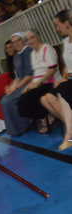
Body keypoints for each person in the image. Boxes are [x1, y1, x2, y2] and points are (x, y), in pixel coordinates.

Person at [17, 28, 61, 133]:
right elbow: (36, 73)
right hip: (39, 82)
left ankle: (46, 119)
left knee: (28, 98)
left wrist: (38, 82)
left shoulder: (47, 48)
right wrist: (30, 84)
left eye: (32, 37)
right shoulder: (32, 53)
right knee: (22, 101)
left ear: (39, 36)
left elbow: (52, 70)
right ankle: (45, 118)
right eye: (27, 39)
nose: (30, 41)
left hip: (50, 81)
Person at [41, 10, 72, 151]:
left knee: (62, 90)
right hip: (70, 79)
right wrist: (64, 78)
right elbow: (67, 67)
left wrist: (66, 79)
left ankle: (69, 135)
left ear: (67, 24)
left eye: (57, 25)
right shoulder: (66, 41)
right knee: (46, 98)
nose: (57, 28)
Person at [0, 32, 33, 136]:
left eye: (18, 40)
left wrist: (15, 88)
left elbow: (30, 75)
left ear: (23, 40)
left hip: (31, 82)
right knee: (4, 100)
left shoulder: (29, 52)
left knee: (8, 101)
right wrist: (11, 88)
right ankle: (15, 129)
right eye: (14, 42)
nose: (16, 44)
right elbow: (18, 77)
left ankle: (23, 124)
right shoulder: (17, 55)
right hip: (22, 83)